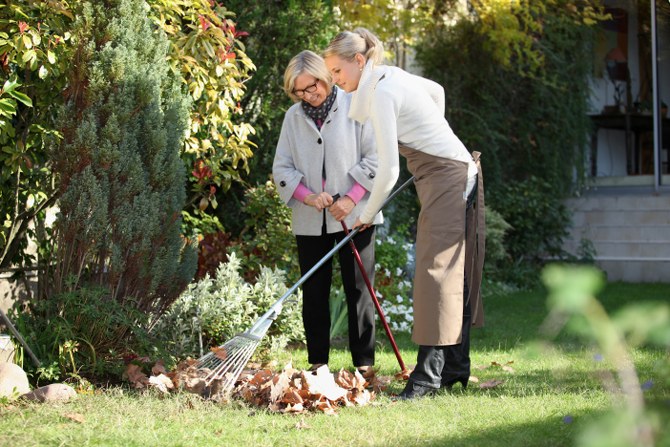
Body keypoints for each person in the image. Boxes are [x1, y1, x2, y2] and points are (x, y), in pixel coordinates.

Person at [324, 28, 486, 399]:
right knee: (449, 272)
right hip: (448, 171)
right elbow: (437, 93)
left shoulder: (381, 92)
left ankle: (427, 379)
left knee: (435, 272)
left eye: (337, 71)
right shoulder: (391, 75)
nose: (335, 80)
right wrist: (432, 140)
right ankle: (454, 368)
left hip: (448, 176)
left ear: (359, 61)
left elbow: (389, 171)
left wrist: (368, 210)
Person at [272, 50, 382, 379]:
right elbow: (282, 167)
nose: (309, 95)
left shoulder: (355, 107)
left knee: (359, 289)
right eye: (300, 91)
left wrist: (351, 198)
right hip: (311, 220)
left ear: (325, 77)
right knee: (315, 293)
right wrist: (307, 196)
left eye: (313, 86)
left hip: (355, 215)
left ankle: (364, 364)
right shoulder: (293, 117)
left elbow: (375, 159)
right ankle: (318, 363)